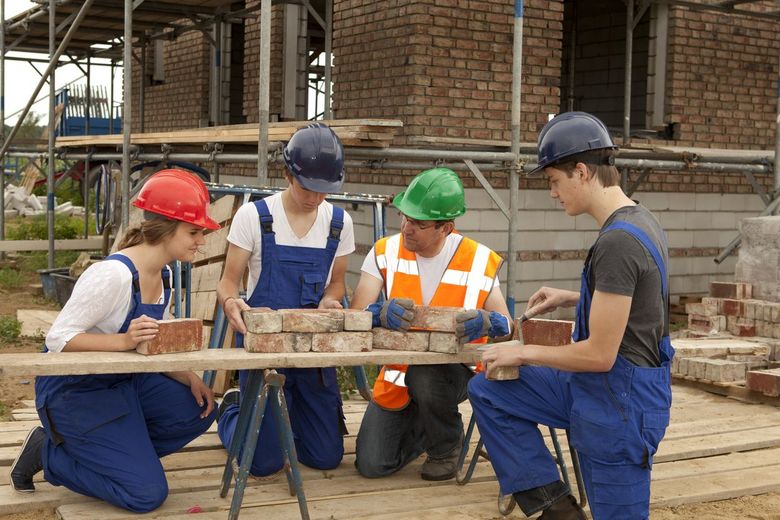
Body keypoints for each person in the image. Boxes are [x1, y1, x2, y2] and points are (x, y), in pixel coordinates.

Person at [469, 112, 673, 520]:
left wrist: (523, 352)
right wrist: (572, 296)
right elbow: (638, 296)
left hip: (620, 406)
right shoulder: (638, 217)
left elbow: (599, 355)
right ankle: (554, 507)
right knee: (490, 389)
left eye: (553, 181)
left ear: (581, 171)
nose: (553, 194)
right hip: (597, 390)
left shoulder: (617, 243)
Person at [9, 169, 220, 512]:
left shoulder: (163, 274)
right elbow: (58, 338)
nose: (201, 240)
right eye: (194, 232)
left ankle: (118, 454)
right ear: (166, 229)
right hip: (75, 392)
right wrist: (124, 342)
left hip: (124, 382)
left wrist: (188, 375)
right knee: (146, 494)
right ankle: (50, 453)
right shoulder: (113, 276)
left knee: (198, 409)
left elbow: (152, 340)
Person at [351, 167, 513, 482]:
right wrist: (378, 312)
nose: (406, 228)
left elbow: (506, 325)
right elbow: (356, 311)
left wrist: (488, 322)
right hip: (399, 377)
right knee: (372, 464)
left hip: (454, 374)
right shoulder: (385, 251)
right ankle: (424, 429)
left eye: (418, 223)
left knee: (426, 375)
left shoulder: (477, 259)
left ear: (446, 229)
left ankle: (445, 448)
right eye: (405, 217)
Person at [216, 123, 355, 476]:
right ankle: (233, 411)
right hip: (267, 353)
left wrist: (329, 301)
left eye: (324, 191)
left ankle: (287, 419)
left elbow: (336, 284)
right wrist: (233, 304)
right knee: (263, 464)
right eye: (308, 188)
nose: (315, 198)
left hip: (313, 355)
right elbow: (228, 283)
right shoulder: (255, 217)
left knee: (325, 458)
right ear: (287, 175)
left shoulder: (339, 223)